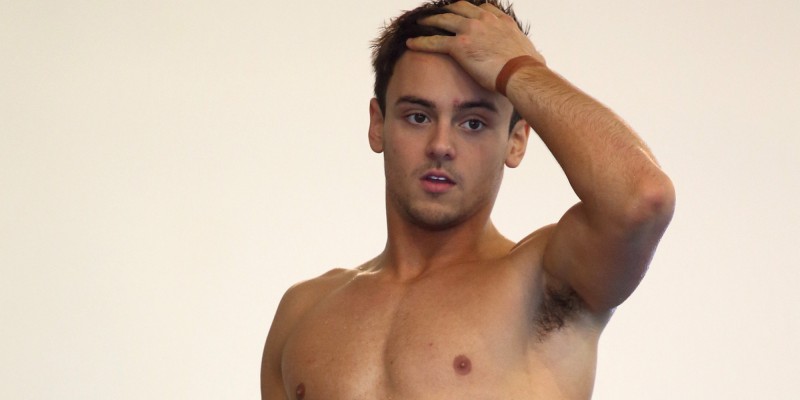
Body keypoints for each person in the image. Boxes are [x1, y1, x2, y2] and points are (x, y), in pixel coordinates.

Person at [260, 0, 675, 398]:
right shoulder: (304, 313)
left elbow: (642, 198)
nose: (441, 145)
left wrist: (519, 68)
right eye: (418, 116)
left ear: (516, 141)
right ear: (377, 124)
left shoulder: (543, 283)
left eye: (473, 123)